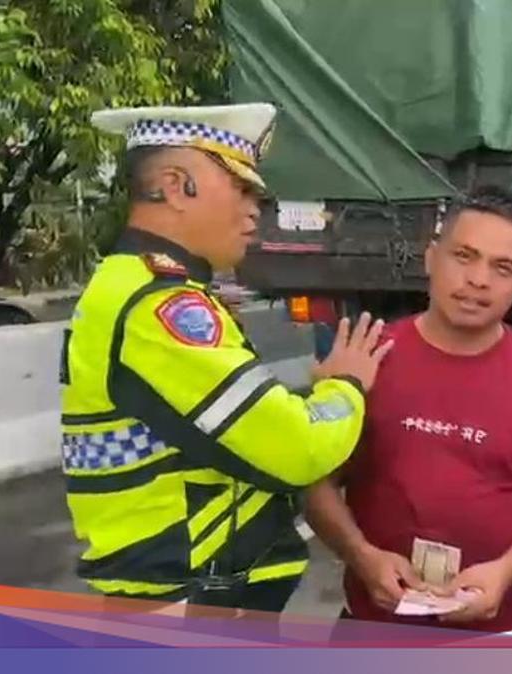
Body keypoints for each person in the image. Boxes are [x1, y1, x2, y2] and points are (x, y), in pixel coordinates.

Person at [60, 103, 392, 612]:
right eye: (240, 188)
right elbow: (296, 448)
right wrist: (345, 385)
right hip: (188, 608)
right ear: (174, 185)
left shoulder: (143, 287)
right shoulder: (158, 304)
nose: (255, 209)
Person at [305, 185, 512, 633]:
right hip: (374, 627)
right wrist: (362, 557)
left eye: (502, 268)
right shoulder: (367, 362)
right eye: (464, 256)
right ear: (431, 258)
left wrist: (505, 572)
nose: (479, 279)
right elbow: (315, 482)